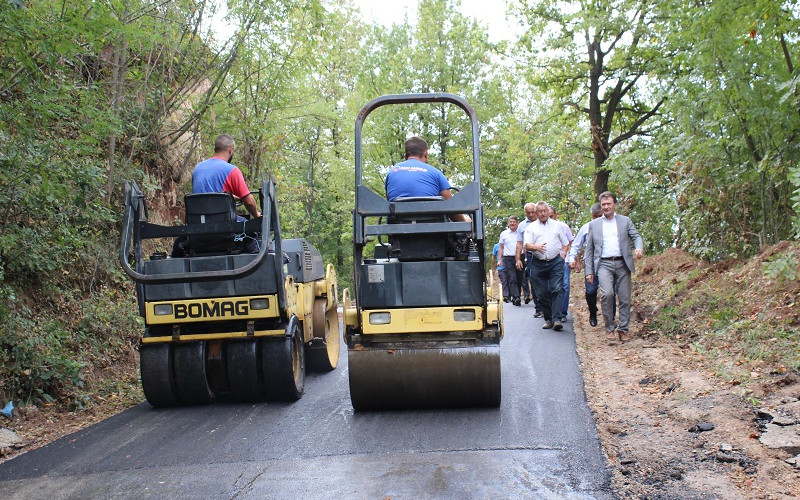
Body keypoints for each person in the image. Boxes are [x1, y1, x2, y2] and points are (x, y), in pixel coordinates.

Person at [583, 192, 644, 342]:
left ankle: (623, 329)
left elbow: (636, 236)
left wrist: (638, 247)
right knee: (607, 294)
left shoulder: (624, 221)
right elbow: (589, 250)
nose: (606, 207)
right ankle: (609, 327)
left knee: (624, 298)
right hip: (604, 264)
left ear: (614, 204)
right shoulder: (594, 224)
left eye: (609, 204)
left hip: (623, 263)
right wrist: (589, 271)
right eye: (603, 204)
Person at [384, 137, 468, 222]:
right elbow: (452, 209)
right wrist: (465, 222)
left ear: (405, 156)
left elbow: (390, 201)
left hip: (398, 231)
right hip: (433, 232)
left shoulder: (391, 174)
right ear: (426, 153)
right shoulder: (435, 173)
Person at [523, 201, 570, 331]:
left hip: (555, 262)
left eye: (545, 211)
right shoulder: (531, 228)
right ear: (536, 213)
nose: (543, 214)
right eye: (540, 211)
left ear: (548, 212)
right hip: (537, 263)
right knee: (541, 293)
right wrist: (536, 247)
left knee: (557, 289)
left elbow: (565, 243)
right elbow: (526, 245)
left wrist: (563, 255)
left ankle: (557, 320)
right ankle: (548, 319)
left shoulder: (557, 226)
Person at [192, 134, 261, 219]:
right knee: (252, 228)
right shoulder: (231, 170)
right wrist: (257, 215)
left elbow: (208, 196)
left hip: (197, 221)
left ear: (215, 149)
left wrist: (233, 197)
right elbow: (249, 202)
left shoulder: (197, 168)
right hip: (221, 223)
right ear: (231, 150)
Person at [567, 203, 603, 326]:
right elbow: (576, 245)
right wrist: (572, 258)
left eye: (600, 216)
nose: (597, 219)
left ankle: (611, 319)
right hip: (591, 263)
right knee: (591, 291)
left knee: (610, 293)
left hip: (607, 263)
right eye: (595, 217)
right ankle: (593, 312)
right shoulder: (586, 227)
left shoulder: (611, 227)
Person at [515, 203, 541, 314]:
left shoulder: (543, 221)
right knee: (534, 280)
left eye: (532, 212)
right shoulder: (522, 226)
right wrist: (518, 259)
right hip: (530, 255)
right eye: (528, 213)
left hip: (545, 253)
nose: (531, 215)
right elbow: (519, 243)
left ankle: (548, 306)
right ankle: (538, 308)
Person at [548, 206, 574, 320]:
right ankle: (553, 312)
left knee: (565, 285)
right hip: (548, 260)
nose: (550, 219)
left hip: (563, 260)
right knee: (550, 287)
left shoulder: (563, 227)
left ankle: (562, 312)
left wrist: (573, 259)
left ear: (556, 215)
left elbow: (572, 243)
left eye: (551, 216)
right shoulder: (542, 228)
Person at [498, 216, 521, 305]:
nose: (512, 223)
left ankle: (516, 295)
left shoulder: (520, 233)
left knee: (519, 278)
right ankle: (516, 297)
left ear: (517, 223)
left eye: (514, 222)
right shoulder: (504, 234)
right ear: (508, 223)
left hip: (519, 257)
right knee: (512, 278)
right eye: (510, 222)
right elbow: (501, 248)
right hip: (508, 258)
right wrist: (499, 260)